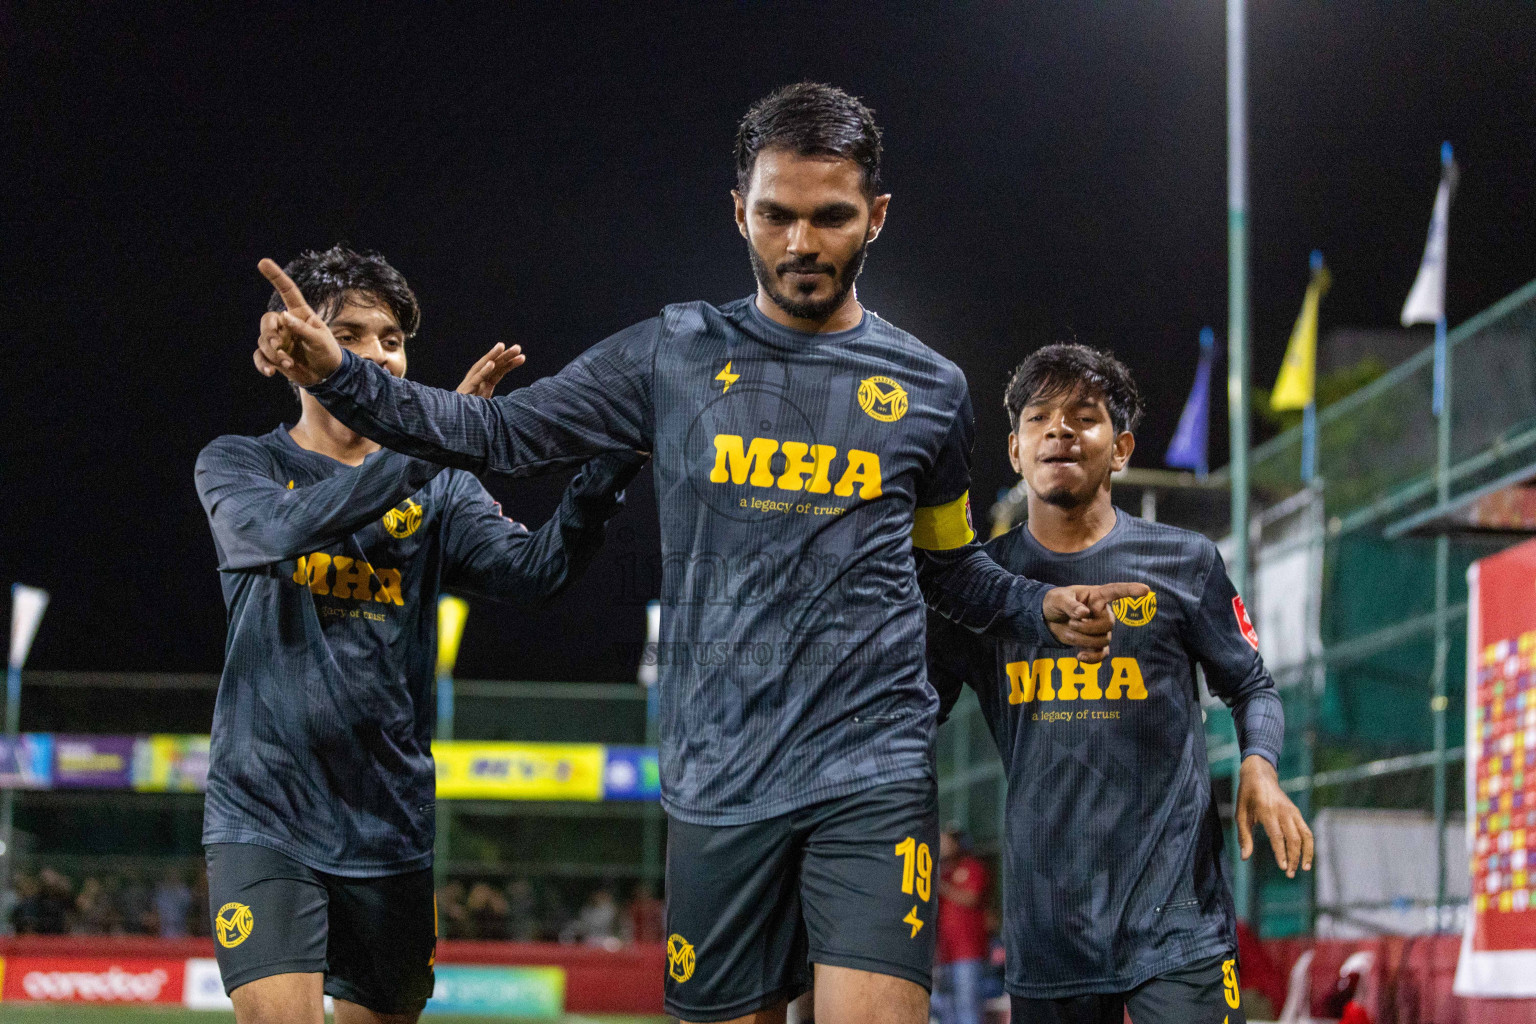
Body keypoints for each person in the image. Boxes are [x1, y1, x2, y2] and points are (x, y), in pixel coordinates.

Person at [253, 85, 1144, 1024]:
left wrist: (1036, 607)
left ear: (875, 218)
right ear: (739, 213)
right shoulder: (671, 351)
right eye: (776, 215)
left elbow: (949, 567)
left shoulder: (930, 388)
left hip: (872, 769)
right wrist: (342, 379)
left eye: (831, 217)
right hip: (720, 778)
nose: (801, 243)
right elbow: (499, 432)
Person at [197, 245, 643, 1024]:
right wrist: (428, 446)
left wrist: (605, 469)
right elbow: (270, 531)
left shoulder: (444, 487)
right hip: (265, 812)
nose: (376, 355)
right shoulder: (241, 464)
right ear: (301, 348)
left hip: (389, 825)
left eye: (392, 340)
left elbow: (534, 571)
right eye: (354, 334)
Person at [928, 344, 1315, 1024]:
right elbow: (910, 711)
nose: (1059, 430)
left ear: (1122, 448)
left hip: (1178, 924)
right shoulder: (981, 588)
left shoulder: (1186, 563)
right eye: (1039, 418)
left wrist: (1261, 765)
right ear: (1016, 452)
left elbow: (1251, 684)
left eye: (1084, 417)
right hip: (1048, 933)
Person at [934, 825, 989, 1024]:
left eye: (948, 840)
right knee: (948, 1011)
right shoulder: (945, 873)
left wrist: (942, 886)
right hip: (946, 954)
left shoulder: (973, 867)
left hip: (969, 954)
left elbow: (971, 898)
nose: (944, 845)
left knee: (968, 1010)